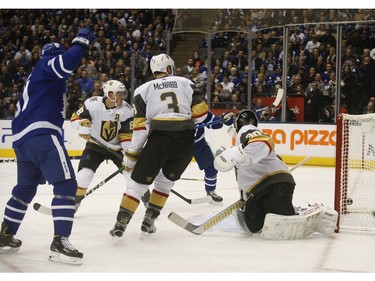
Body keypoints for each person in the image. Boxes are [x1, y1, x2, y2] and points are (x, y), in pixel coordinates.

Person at [0, 28, 95, 264]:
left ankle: (5, 235)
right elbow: (68, 61)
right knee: (66, 184)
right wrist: (80, 42)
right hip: (42, 133)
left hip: (23, 140)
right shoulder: (47, 66)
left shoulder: (38, 77)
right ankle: (60, 241)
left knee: (24, 189)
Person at [109, 53, 208, 240]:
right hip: (185, 142)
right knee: (164, 183)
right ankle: (149, 220)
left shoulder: (142, 89)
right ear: (170, 68)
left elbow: (140, 128)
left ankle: (121, 223)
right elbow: (201, 114)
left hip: (159, 139)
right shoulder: (185, 83)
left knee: (137, 184)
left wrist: (132, 154)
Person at [213, 110, 338, 239]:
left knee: (282, 222)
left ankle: (317, 212)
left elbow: (264, 142)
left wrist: (234, 154)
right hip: (260, 190)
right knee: (254, 225)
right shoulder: (242, 145)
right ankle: (290, 210)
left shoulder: (246, 130)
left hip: (272, 184)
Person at [70, 79, 150, 211]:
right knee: (83, 176)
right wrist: (82, 125)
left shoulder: (127, 110)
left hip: (117, 149)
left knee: (133, 176)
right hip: (94, 147)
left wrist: (128, 155)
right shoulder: (92, 103)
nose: (121, 97)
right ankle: (75, 203)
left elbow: (126, 135)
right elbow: (75, 118)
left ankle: (148, 203)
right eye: (117, 94)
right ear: (109, 94)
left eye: (122, 94)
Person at [193, 110, 234, 204]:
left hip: (199, 144)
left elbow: (213, 123)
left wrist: (223, 120)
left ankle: (210, 191)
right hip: (177, 144)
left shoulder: (197, 107)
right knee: (161, 167)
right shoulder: (174, 109)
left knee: (211, 167)